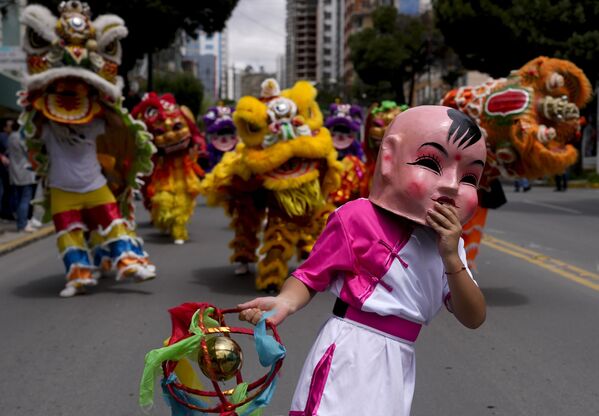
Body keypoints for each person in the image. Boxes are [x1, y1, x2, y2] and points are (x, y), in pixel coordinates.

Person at [238, 106, 487, 415]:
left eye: (469, 177)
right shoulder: (356, 217)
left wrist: (451, 256)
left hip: (399, 362)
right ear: (388, 158)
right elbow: (311, 275)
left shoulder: (450, 243)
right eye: (430, 163)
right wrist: (285, 301)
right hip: (350, 351)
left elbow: (473, 316)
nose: (451, 184)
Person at [6, 122, 37, 232]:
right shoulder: (21, 138)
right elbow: (29, 152)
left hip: (14, 172)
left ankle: (21, 223)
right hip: (25, 171)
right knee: (25, 198)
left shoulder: (10, 138)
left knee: (19, 198)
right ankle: (23, 224)